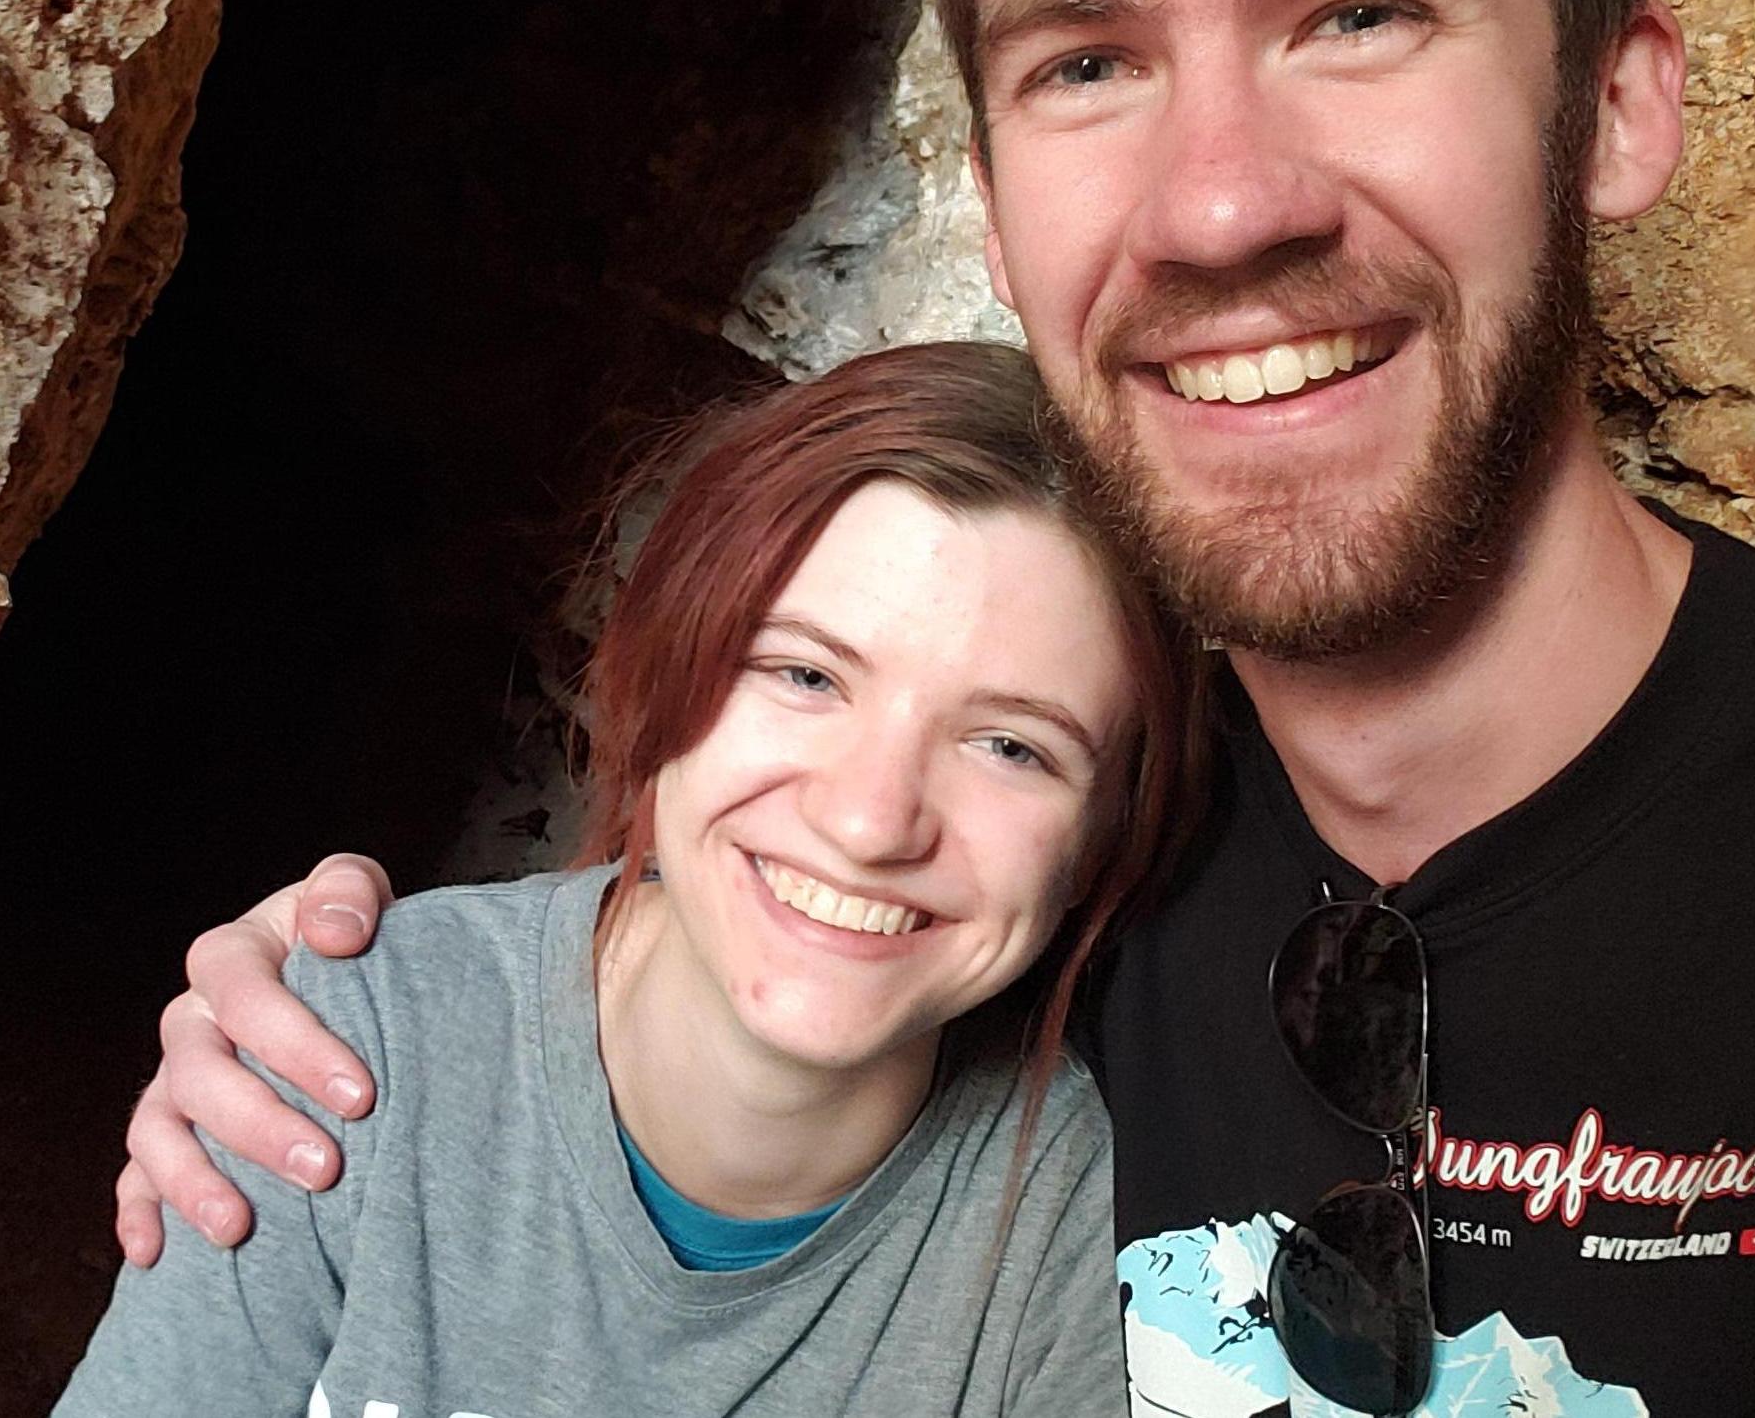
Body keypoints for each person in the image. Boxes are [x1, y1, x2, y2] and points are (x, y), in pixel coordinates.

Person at [111, 0, 1755, 1417]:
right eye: (1086, 60)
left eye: (1359, 14)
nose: (1222, 201)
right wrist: (333, 1032)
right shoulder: (1047, 845)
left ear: (1616, 103)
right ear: (993, 216)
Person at [58, 341, 1191, 1415]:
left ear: (1098, 838)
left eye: (1009, 746)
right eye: (802, 673)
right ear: (663, 677)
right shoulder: (357, 1042)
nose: (867, 818)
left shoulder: (1081, 1229)